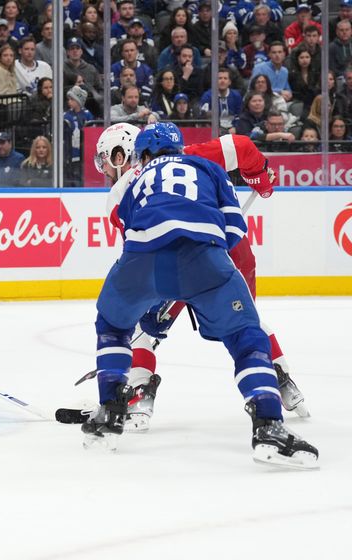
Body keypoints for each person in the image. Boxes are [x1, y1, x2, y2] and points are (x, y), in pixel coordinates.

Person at [80, 122, 317, 469]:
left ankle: (122, 400)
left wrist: (163, 288)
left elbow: (134, 240)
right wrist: (260, 179)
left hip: (150, 259)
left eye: (108, 158)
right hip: (214, 256)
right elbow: (241, 158)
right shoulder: (202, 161)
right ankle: (272, 400)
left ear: (128, 151)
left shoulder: (123, 187)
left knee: (126, 327)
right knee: (244, 330)